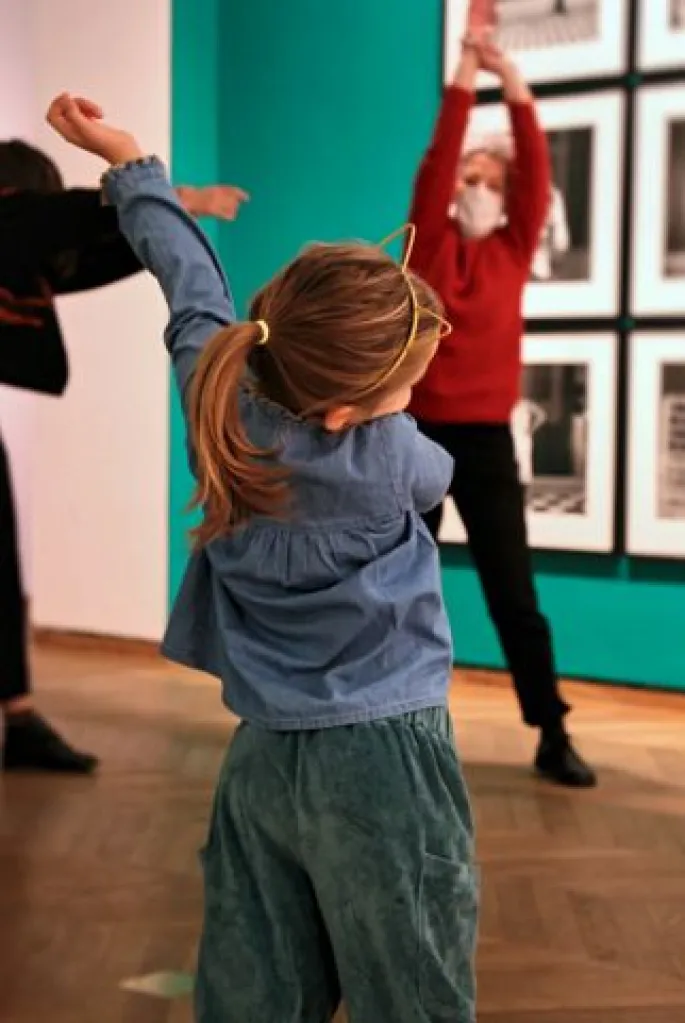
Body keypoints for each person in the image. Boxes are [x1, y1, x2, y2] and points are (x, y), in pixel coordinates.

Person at [47, 92, 479, 1023]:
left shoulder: (218, 402)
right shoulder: (393, 458)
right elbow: (435, 474)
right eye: (406, 384)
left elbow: (188, 283)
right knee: (415, 981)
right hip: (385, 760)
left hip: (262, 756)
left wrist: (130, 163)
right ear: (342, 410)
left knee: (255, 987)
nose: (412, 398)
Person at [0, 135, 247, 773]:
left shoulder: (22, 251)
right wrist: (173, 194)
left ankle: (18, 716)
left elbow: (92, 255)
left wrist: (160, 218)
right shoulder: (14, 221)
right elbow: (57, 219)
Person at [407, 30, 596, 788]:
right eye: (468, 178)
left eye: (490, 179)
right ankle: (391, 721)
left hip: (484, 442)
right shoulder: (426, 246)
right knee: (398, 587)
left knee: (513, 595)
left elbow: (536, 170)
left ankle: (551, 730)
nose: (475, 187)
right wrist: (462, 73)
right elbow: (436, 158)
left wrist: (510, 75)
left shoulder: (514, 248)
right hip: (412, 435)